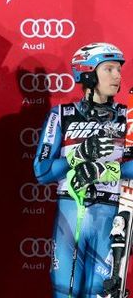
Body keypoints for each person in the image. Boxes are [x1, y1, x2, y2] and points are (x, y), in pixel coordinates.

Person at [33, 42, 133, 297]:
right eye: (109, 69)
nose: (117, 76)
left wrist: (105, 170)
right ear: (87, 73)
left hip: (110, 217)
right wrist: (77, 156)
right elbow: (42, 171)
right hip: (69, 213)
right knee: (64, 290)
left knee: (100, 293)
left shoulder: (127, 117)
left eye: (118, 69)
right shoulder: (62, 115)